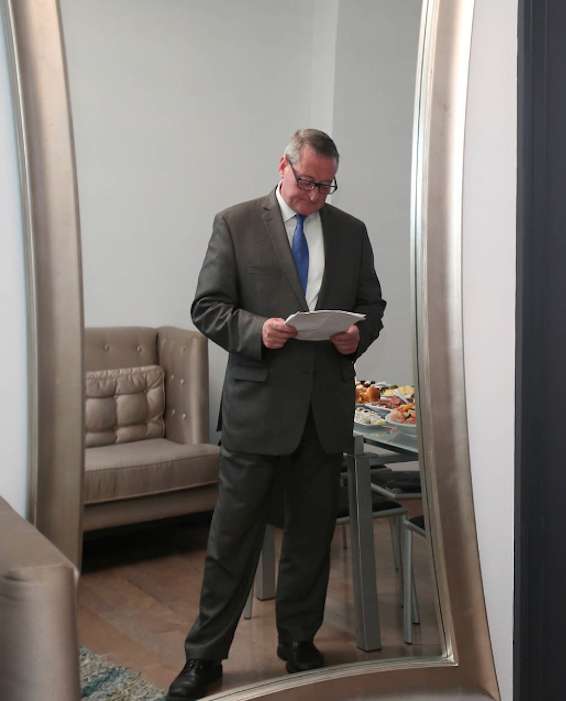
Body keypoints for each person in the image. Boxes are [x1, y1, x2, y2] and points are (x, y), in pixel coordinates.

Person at [167, 129, 386, 700]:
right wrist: (255, 331)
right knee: (232, 540)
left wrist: (355, 337)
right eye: (308, 182)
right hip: (257, 410)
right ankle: (205, 656)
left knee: (312, 538)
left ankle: (298, 641)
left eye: (326, 184)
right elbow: (207, 307)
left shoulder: (351, 231)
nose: (316, 195)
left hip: (324, 412)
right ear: (283, 166)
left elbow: (372, 306)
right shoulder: (236, 223)